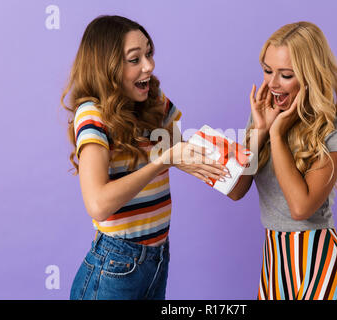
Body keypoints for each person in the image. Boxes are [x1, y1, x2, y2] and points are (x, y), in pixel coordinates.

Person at [61, 15, 228, 300]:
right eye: (134, 59)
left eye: (148, 54)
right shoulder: (92, 114)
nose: (149, 66)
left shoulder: (152, 98)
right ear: (107, 67)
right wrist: (163, 161)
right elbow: (98, 204)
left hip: (158, 257)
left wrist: (253, 142)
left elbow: (181, 152)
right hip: (115, 265)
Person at [228, 21, 337, 300]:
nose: (273, 84)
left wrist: (276, 133)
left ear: (309, 75)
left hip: (317, 260)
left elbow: (301, 208)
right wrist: (262, 129)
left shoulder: (335, 125)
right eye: (267, 71)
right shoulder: (262, 116)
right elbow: (236, 189)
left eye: (285, 74)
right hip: (275, 261)